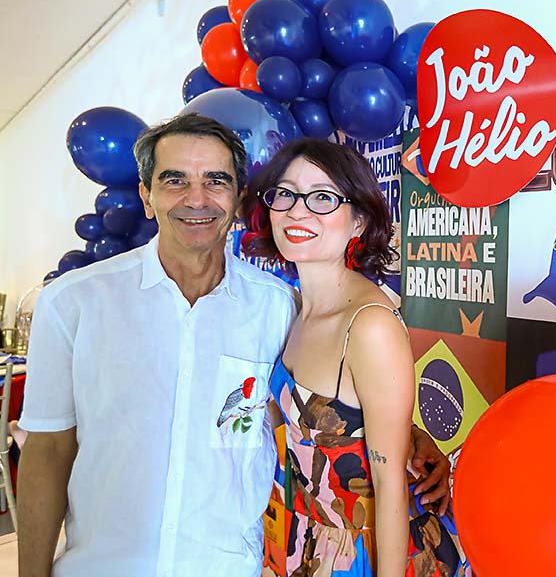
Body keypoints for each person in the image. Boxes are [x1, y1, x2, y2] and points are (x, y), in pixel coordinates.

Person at [17, 114, 451, 577]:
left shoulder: (277, 306)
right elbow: (47, 449)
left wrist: (406, 441)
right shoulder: (74, 302)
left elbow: (346, 409)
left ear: (238, 198)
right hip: (107, 566)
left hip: (238, 564)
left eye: (216, 180)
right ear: (146, 195)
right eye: (174, 180)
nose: (196, 198)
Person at [241, 138, 467, 577]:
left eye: (323, 197)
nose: (298, 211)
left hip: (371, 552)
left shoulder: (369, 326)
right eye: (285, 194)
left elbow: (388, 483)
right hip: (306, 540)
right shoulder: (293, 306)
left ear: (358, 221)